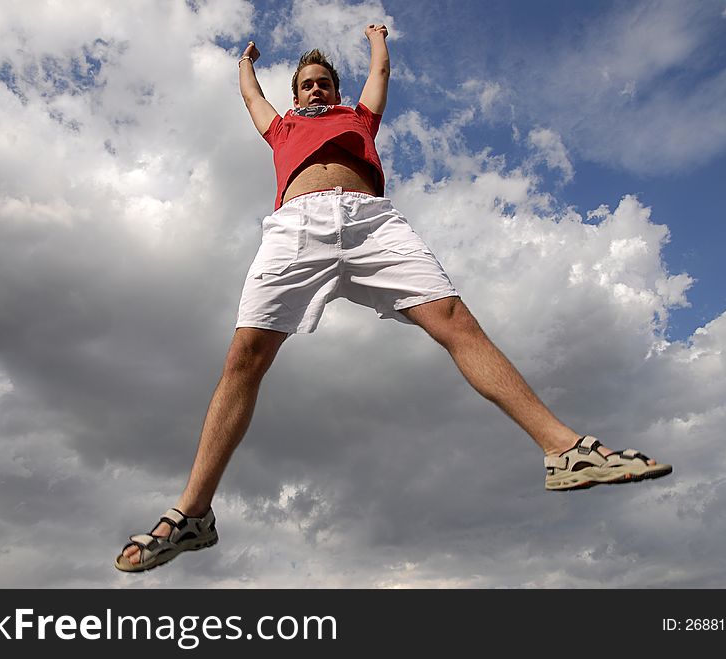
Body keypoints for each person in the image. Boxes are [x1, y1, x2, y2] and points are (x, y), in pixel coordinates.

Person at [114, 24, 672, 573]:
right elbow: (251, 98)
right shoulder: (282, 129)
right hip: (296, 228)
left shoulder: (358, 119)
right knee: (245, 357)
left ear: (335, 91)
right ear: (295, 95)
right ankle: (194, 512)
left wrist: (378, 39)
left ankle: (565, 450)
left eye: (323, 83)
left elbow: (378, 74)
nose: (314, 90)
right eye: (306, 84)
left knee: (454, 320)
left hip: (372, 224)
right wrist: (244, 64)